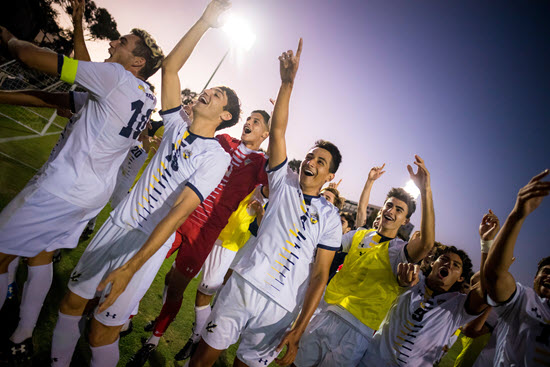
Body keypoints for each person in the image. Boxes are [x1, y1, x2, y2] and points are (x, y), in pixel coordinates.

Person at [49, 1, 241, 366]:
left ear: (225, 116)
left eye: (216, 96)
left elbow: (177, 214)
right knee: (73, 301)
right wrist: (204, 22)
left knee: (102, 330)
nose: (207, 93)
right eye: (210, 89)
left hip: (145, 241)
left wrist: (132, 266)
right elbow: (170, 68)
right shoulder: (175, 126)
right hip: (118, 222)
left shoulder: (215, 157)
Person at [0, 3, 164, 360]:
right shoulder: (143, 95)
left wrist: (10, 39)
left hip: (62, 188)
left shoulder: (115, 79)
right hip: (89, 198)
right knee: (41, 257)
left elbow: (31, 57)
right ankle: (22, 336)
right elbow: (60, 97)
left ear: (137, 62)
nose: (112, 45)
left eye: (121, 43)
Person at [188, 38, 343, 367]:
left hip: (280, 309)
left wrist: (298, 329)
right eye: (311, 156)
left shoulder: (330, 217)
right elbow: (280, 130)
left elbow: (319, 276)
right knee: (202, 359)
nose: (311, 162)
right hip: (244, 285)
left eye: (321, 161)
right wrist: (287, 84)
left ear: (329, 176)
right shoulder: (283, 180)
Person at [128, 107, 270, 365]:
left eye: (256, 121)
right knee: (144, 267)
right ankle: (125, 316)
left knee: (177, 288)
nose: (248, 122)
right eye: (248, 118)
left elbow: (273, 187)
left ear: (265, 133)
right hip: (184, 213)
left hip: (207, 233)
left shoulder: (261, 164)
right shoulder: (225, 141)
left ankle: (154, 340)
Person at [294, 156, 434, 367]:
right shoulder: (359, 235)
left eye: (399, 210)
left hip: (358, 330)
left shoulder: (398, 252)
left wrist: (425, 190)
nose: (391, 211)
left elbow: (425, 244)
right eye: (389, 205)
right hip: (327, 313)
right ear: (381, 210)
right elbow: (325, 248)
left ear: (405, 221)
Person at [172, 184, 269, 362]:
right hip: (207, 231)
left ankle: (195, 339)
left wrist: (261, 213)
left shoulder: (271, 197)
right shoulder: (248, 177)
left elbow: (265, 231)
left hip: (227, 246)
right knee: (173, 277)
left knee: (204, 294)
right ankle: (160, 325)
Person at [483, 169, 550, 366]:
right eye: (546, 271)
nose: (549, 276)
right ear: (535, 277)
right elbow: (494, 275)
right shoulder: (522, 299)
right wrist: (517, 215)